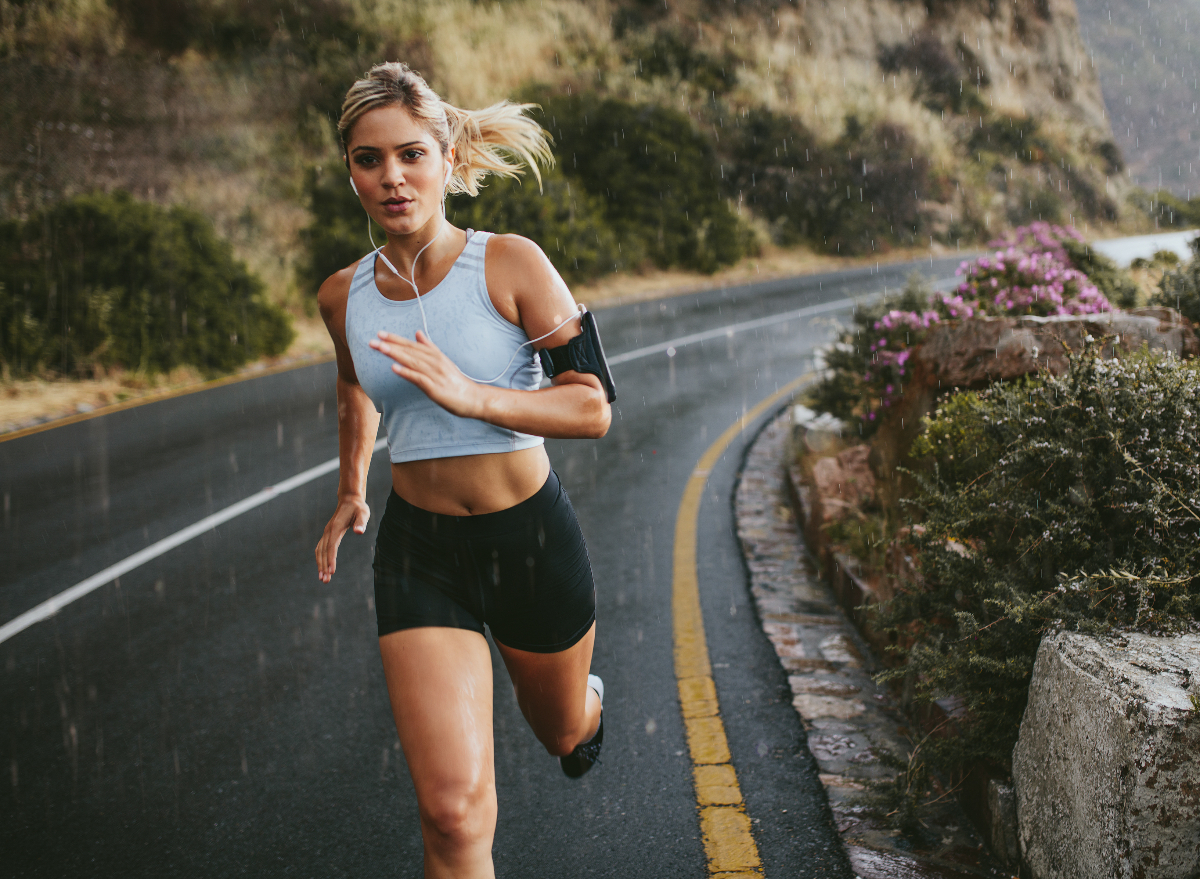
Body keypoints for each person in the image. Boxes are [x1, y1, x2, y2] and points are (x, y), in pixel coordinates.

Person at [313, 62, 609, 878]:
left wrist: (474, 395)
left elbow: (592, 406)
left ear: (446, 157)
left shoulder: (512, 264)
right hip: (421, 555)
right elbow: (352, 382)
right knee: (451, 810)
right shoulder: (343, 295)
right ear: (351, 171)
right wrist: (350, 487)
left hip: (529, 540)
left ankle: (589, 711)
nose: (392, 177)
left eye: (411, 154)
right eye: (369, 160)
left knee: (559, 732)